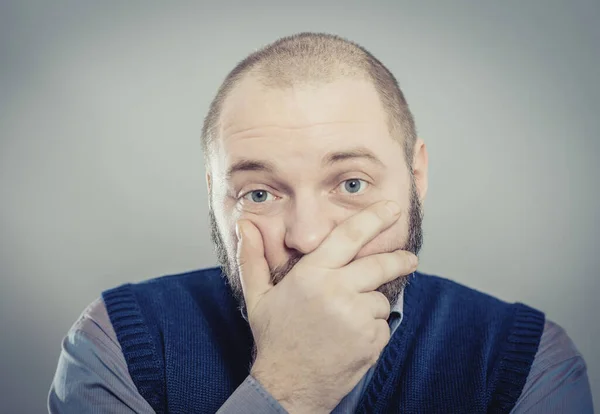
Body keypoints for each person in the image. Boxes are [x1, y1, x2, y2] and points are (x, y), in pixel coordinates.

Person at [48, 32, 593, 414]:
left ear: (416, 174)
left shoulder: (527, 362)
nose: (307, 239)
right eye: (259, 193)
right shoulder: (114, 342)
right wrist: (289, 389)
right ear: (213, 196)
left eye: (351, 184)